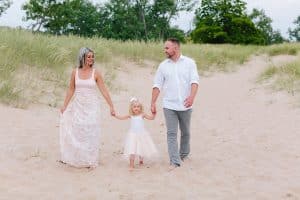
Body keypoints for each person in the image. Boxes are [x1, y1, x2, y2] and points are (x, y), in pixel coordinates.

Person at [59, 47, 115, 169]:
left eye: (92, 57)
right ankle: (78, 158)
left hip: (92, 106)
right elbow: (71, 89)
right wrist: (65, 105)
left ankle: (90, 160)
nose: (91, 59)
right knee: (78, 131)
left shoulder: (96, 73)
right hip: (78, 106)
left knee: (91, 132)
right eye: (89, 57)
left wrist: (111, 105)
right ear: (82, 57)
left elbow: (103, 90)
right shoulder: (75, 72)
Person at [151, 38, 199, 170]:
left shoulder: (190, 63)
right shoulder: (163, 66)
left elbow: (194, 81)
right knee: (171, 134)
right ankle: (174, 161)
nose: (164, 50)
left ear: (175, 48)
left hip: (186, 104)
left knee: (186, 132)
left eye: (167, 48)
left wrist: (192, 97)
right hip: (169, 105)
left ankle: (184, 154)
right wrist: (153, 102)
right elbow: (157, 85)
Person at [114, 97, 158, 170]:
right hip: (133, 135)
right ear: (131, 108)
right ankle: (131, 165)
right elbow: (121, 117)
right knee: (132, 149)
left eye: (138, 107)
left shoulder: (142, 115)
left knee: (141, 147)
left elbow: (151, 118)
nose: (136, 108)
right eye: (134, 107)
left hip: (142, 134)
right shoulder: (130, 115)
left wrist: (154, 114)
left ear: (141, 108)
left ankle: (141, 160)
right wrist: (115, 115)